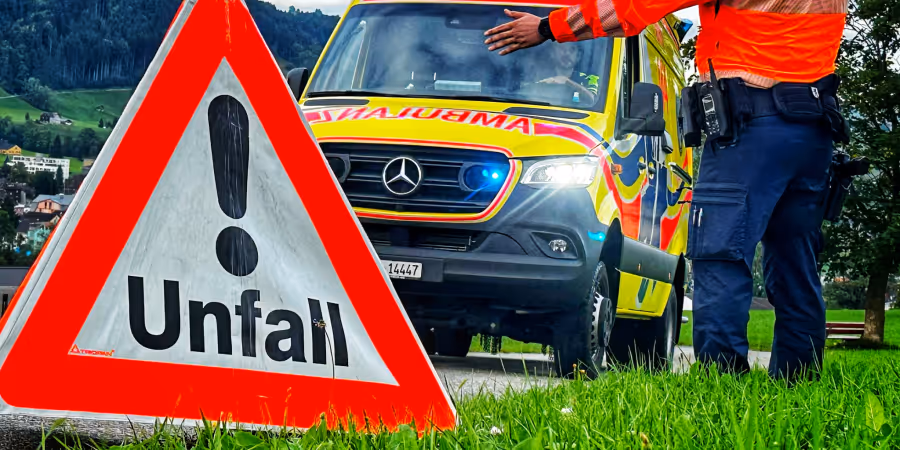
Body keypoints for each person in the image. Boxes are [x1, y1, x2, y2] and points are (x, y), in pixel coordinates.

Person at [484, 0, 849, 382]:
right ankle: (799, 381)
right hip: (813, 132)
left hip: (750, 132)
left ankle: (722, 384)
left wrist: (546, 27)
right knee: (797, 263)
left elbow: (629, 7)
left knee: (721, 255)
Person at [520, 43, 599, 105]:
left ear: (578, 56)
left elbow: (593, 100)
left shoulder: (590, 79)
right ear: (552, 53)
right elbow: (522, 93)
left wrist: (567, 82)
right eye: (562, 48)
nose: (567, 53)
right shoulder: (537, 75)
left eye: (572, 49)